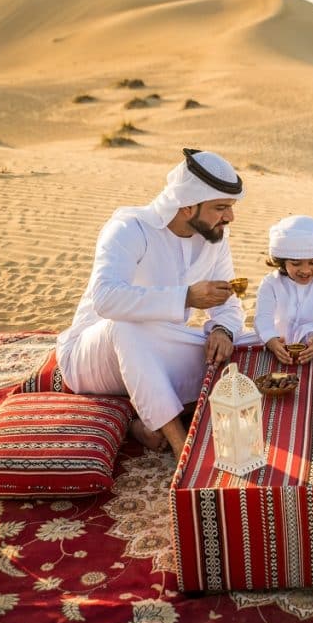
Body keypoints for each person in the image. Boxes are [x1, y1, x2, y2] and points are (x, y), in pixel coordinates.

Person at [56, 148, 247, 460]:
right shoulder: (129, 229)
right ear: (187, 206)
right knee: (128, 328)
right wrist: (186, 297)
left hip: (155, 353)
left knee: (251, 344)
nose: (230, 217)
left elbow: (227, 302)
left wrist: (223, 331)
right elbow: (106, 299)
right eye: (221, 207)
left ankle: (141, 421)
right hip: (92, 354)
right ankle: (181, 445)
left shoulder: (215, 237)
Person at [254, 215, 313, 365]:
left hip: (311, 346)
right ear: (282, 261)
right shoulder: (270, 283)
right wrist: (271, 341)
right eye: (296, 263)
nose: (305, 270)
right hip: (277, 345)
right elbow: (262, 318)